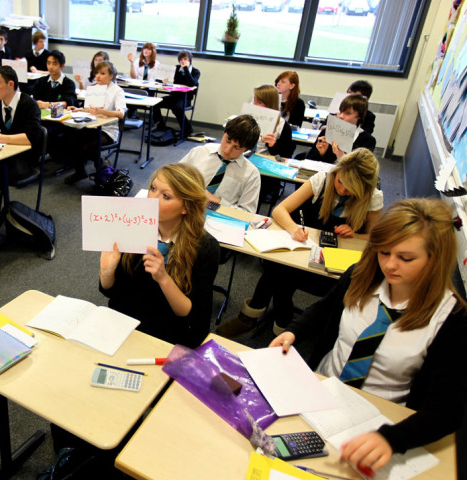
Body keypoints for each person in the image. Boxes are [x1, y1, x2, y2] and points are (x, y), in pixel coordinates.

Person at [270, 198, 467, 474]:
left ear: (435, 259)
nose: (390, 265)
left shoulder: (451, 318)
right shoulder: (361, 274)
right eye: (383, 252)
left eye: (406, 258)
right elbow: (325, 308)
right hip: (322, 392)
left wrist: (391, 439)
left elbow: (446, 411)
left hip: (382, 416)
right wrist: (294, 331)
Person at [217, 149, 382, 338]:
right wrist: (293, 228)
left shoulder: (373, 198)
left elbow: (375, 238)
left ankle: (256, 316)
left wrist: (355, 235)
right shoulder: (323, 180)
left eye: (351, 189)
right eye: (340, 182)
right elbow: (280, 210)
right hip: (305, 251)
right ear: (337, 172)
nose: (342, 190)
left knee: (278, 272)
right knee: (279, 267)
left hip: (334, 267)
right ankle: (281, 322)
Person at [99, 163, 220, 348]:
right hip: (126, 327)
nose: (152, 199)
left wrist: (163, 278)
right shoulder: (132, 227)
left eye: (165, 196)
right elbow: (113, 293)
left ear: (185, 207)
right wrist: (107, 272)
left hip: (169, 335)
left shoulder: (205, 247)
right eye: (153, 188)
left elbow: (191, 313)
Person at [0, 65, 43, 202]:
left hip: (23, 160)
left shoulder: (29, 104)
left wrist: (1, 138)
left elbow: (32, 137)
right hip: (1, 155)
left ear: (11, 84)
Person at [179, 114, 261, 213]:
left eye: (237, 147)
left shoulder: (251, 174)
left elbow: (247, 213)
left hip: (217, 221)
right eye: (228, 140)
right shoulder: (200, 152)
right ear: (224, 133)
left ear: (246, 150)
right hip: (184, 210)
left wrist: (217, 201)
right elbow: (173, 178)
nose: (228, 149)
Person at [64, 60, 126, 185]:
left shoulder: (117, 91)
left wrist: (102, 112)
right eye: (97, 73)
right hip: (91, 126)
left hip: (107, 130)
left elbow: (120, 113)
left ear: (111, 76)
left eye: (102, 73)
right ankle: (81, 171)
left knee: (88, 145)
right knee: (71, 138)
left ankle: (102, 170)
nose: (98, 76)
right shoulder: (93, 88)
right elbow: (89, 109)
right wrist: (79, 109)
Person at [31, 50, 77, 163]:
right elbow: (34, 99)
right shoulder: (42, 81)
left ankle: (36, 158)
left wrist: (49, 104)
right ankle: (30, 159)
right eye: (48, 63)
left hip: (59, 120)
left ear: (62, 66)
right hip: (43, 117)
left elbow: (67, 102)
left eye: (54, 63)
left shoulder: (68, 83)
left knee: (44, 132)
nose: (50, 66)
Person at [306, 94, 376, 164]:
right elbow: (309, 160)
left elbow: (360, 170)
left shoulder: (368, 141)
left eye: (347, 113)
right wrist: (322, 153)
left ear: (359, 116)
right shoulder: (327, 132)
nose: (341, 116)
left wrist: (341, 157)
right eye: (341, 111)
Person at [152, 50, 200, 137]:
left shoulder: (195, 71)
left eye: (185, 59)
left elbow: (192, 83)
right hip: (174, 96)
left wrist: (185, 69)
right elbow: (160, 79)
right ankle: (161, 125)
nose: (182, 61)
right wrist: (163, 80)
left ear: (189, 60)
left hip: (185, 98)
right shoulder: (176, 68)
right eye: (181, 59)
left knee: (176, 107)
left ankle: (187, 130)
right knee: (155, 103)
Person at [252, 83, 293, 158]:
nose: (254, 104)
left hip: (266, 161)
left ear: (269, 104)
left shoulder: (283, 126)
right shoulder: (248, 119)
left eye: (259, 102)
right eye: (254, 100)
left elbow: (286, 156)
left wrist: (273, 145)